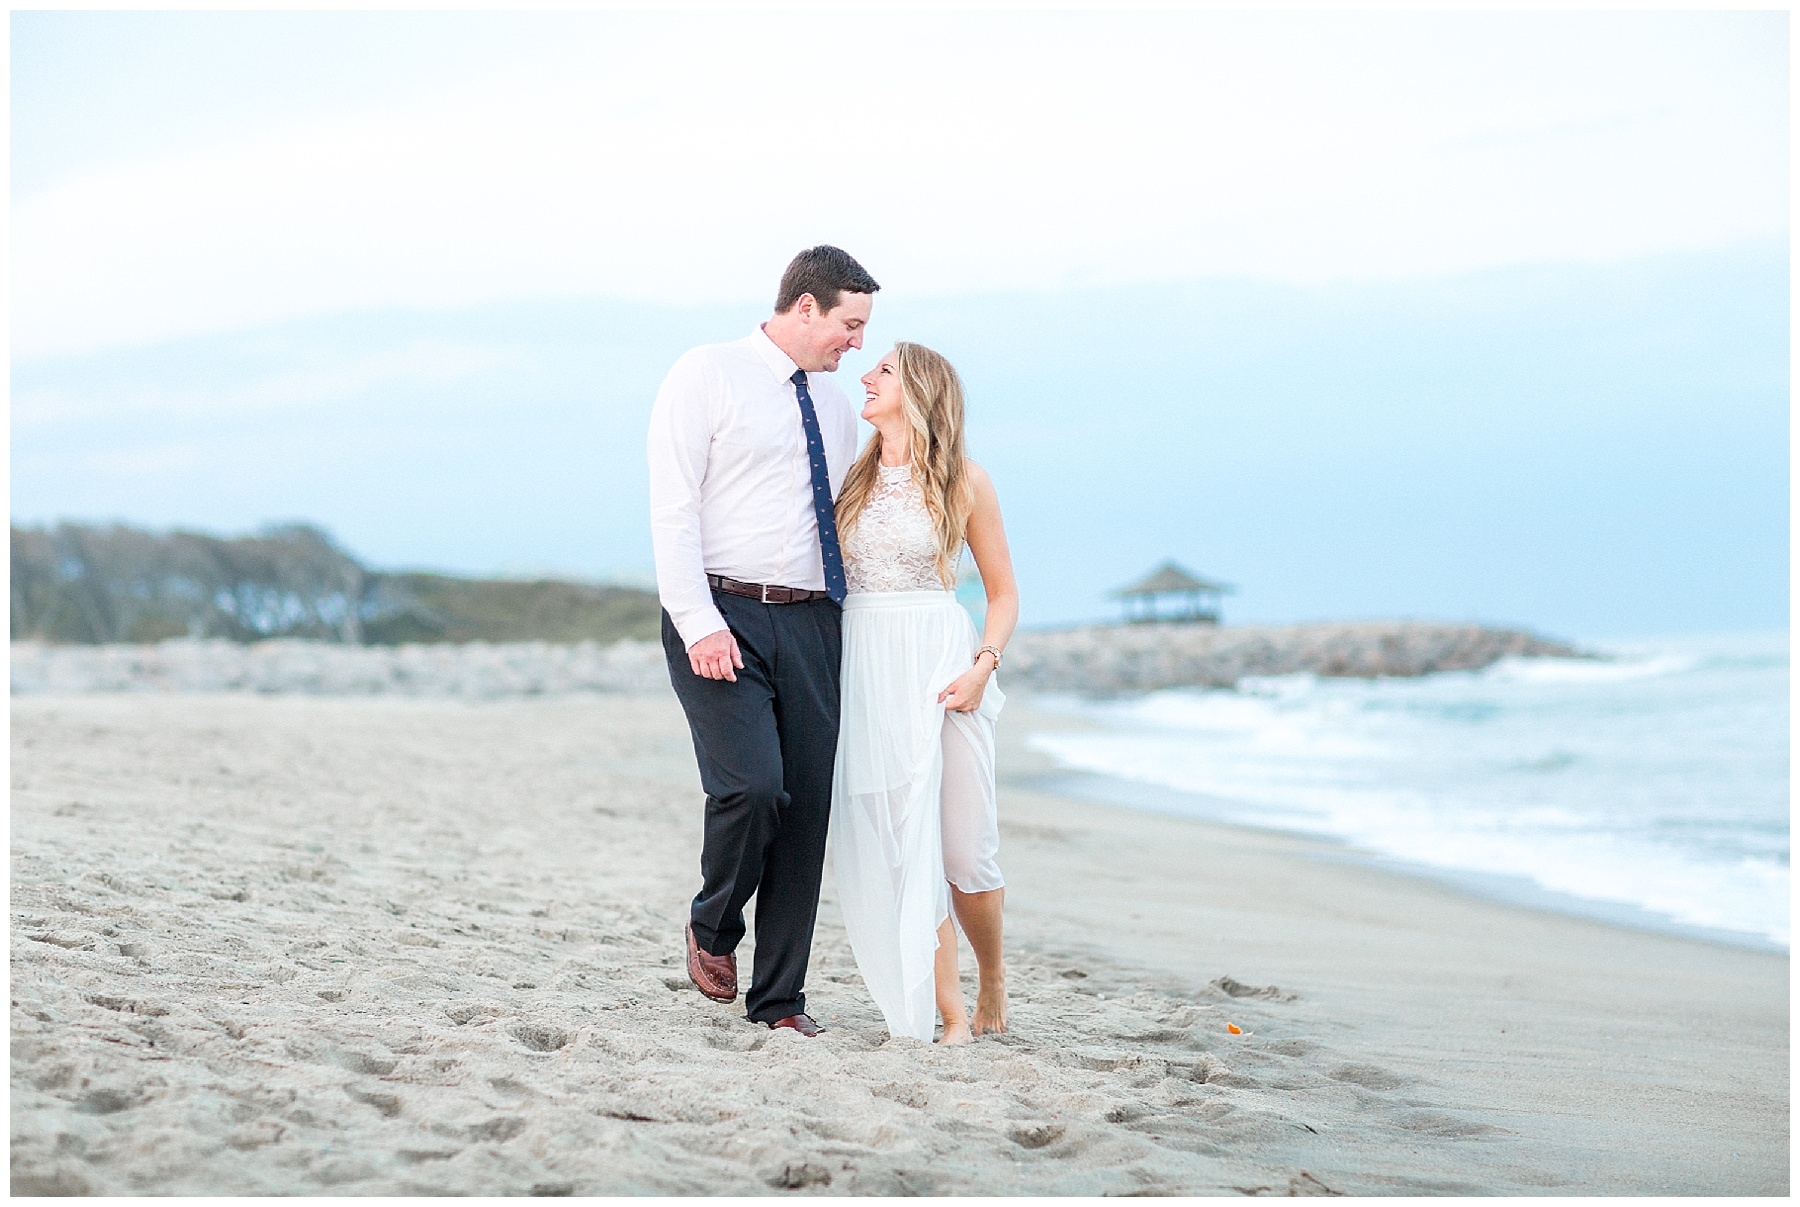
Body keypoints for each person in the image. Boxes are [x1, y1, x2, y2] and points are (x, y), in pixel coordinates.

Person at [646, 245, 878, 1036]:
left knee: (805, 811)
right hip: (722, 611)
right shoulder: (705, 373)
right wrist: (698, 620)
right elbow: (673, 507)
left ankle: (780, 1000)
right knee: (753, 788)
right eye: (849, 325)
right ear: (804, 307)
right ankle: (713, 923)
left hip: (815, 620)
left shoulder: (839, 407)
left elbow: (846, 520)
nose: (857, 343)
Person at [830, 342, 1019, 1044]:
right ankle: (949, 1014)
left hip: (943, 665)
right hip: (868, 662)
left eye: (881, 370)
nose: (866, 377)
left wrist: (983, 664)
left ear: (917, 389)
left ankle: (992, 974)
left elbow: (1003, 594)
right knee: (906, 847)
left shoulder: (967, 481)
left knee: (966, 854)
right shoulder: (851, 478)